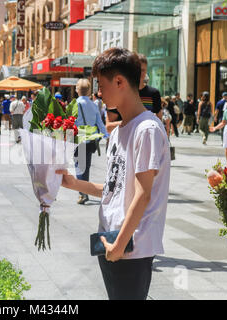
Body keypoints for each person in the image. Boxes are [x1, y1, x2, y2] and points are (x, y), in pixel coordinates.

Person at [57, 48, 170, 300]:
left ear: (119, 82)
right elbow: (113, 188)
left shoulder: (147, 129)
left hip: (131, 245)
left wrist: (120, 244)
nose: (98, 92)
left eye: (101, 84)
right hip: (110, 239)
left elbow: (143, 194)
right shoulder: (119, 131)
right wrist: (73, 183)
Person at [74, 78, 109, 205]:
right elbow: (99, 122)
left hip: (79, 138)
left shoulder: (75, 104)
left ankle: (82, 193)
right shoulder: (93, 105)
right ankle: (84, 192)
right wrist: (106, 135)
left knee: (79, 167)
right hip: (91, 139)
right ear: (89, 90)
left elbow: (72, 122)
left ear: (77, 90)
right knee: (85, 167)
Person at [137, 54, 162, 120]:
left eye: (143, 70)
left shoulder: (154, 93)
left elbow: (159, 119)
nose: (140, 73)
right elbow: (109, 126)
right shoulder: (125, 93)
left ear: (146, 71)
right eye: (137, 69)